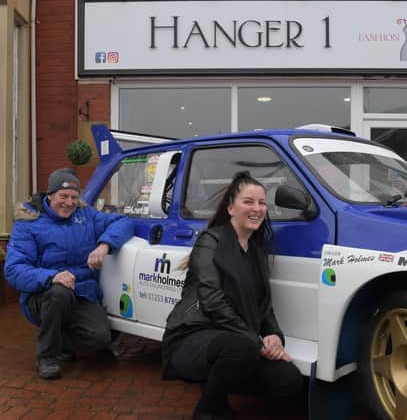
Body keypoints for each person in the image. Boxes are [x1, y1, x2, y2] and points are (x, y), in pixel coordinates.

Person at [162, 171, 302, 420]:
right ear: (230, 208)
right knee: (243, 348)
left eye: (262, 203)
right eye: (248, 201)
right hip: (192, 337)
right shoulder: (210, 241)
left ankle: (219, 386)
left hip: (237, 341)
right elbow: (212, 299)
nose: (257, 208)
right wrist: (257, 343)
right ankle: (208, 410)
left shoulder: (257, 250)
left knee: (287, 379)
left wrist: (273, 336)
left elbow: (264, 306)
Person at [4, 168, 134, 380]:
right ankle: (47, 356)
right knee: (59, 293)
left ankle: (61, 340)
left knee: (101, 338)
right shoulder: (28, 223)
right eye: (63, 196)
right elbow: (13, 269)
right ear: (50, 195)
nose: (69, 202)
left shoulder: (86, 215)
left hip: (82, 293)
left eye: (74, 197)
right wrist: (51, 276)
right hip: (43, 294)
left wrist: (104, 245)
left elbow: (123, 222)